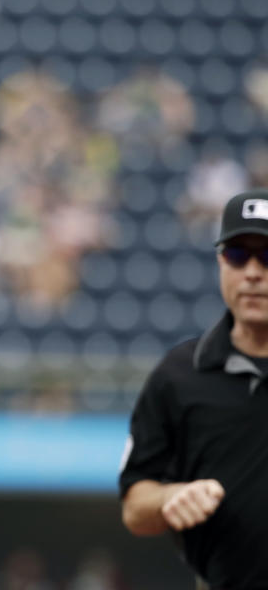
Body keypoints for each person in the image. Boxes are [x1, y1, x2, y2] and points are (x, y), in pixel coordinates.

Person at [119, 188, 268, 589]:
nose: (253, 271)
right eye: (238, 255)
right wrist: (171, 497)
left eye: (267, 256)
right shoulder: (180, 375)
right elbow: (135, 505)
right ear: (221, 262)